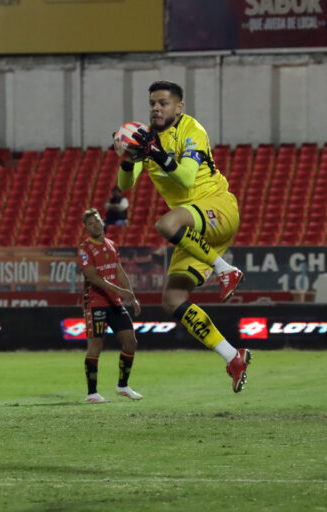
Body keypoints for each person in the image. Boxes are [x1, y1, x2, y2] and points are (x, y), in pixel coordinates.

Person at [118, 80, 250, 393]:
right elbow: (126, 185)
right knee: (172, 300)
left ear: (179, 107)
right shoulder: (146, 139)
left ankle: (225, 269)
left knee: (165, 224)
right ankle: (233, 356)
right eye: (152, 103)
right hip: (193, 230)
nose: (156, 108)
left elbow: (188, 176)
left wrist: (156, 153)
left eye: (163, 103)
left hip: (218, 207)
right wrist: (127, 158)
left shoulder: (192, 130)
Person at [77, 209, 142, 403]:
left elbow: (118, 269)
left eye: (97, 221)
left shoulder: (111, 244)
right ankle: (92, 393)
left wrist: (130, 295)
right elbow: (92, 277)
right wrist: (119, 291)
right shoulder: (85, 248)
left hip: (115, 302)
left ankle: (123, 385)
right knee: (96, 346)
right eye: (90, 224)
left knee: (131, 342)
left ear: (102, 221)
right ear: (86, 228)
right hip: (95, 302)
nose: (95, 225)